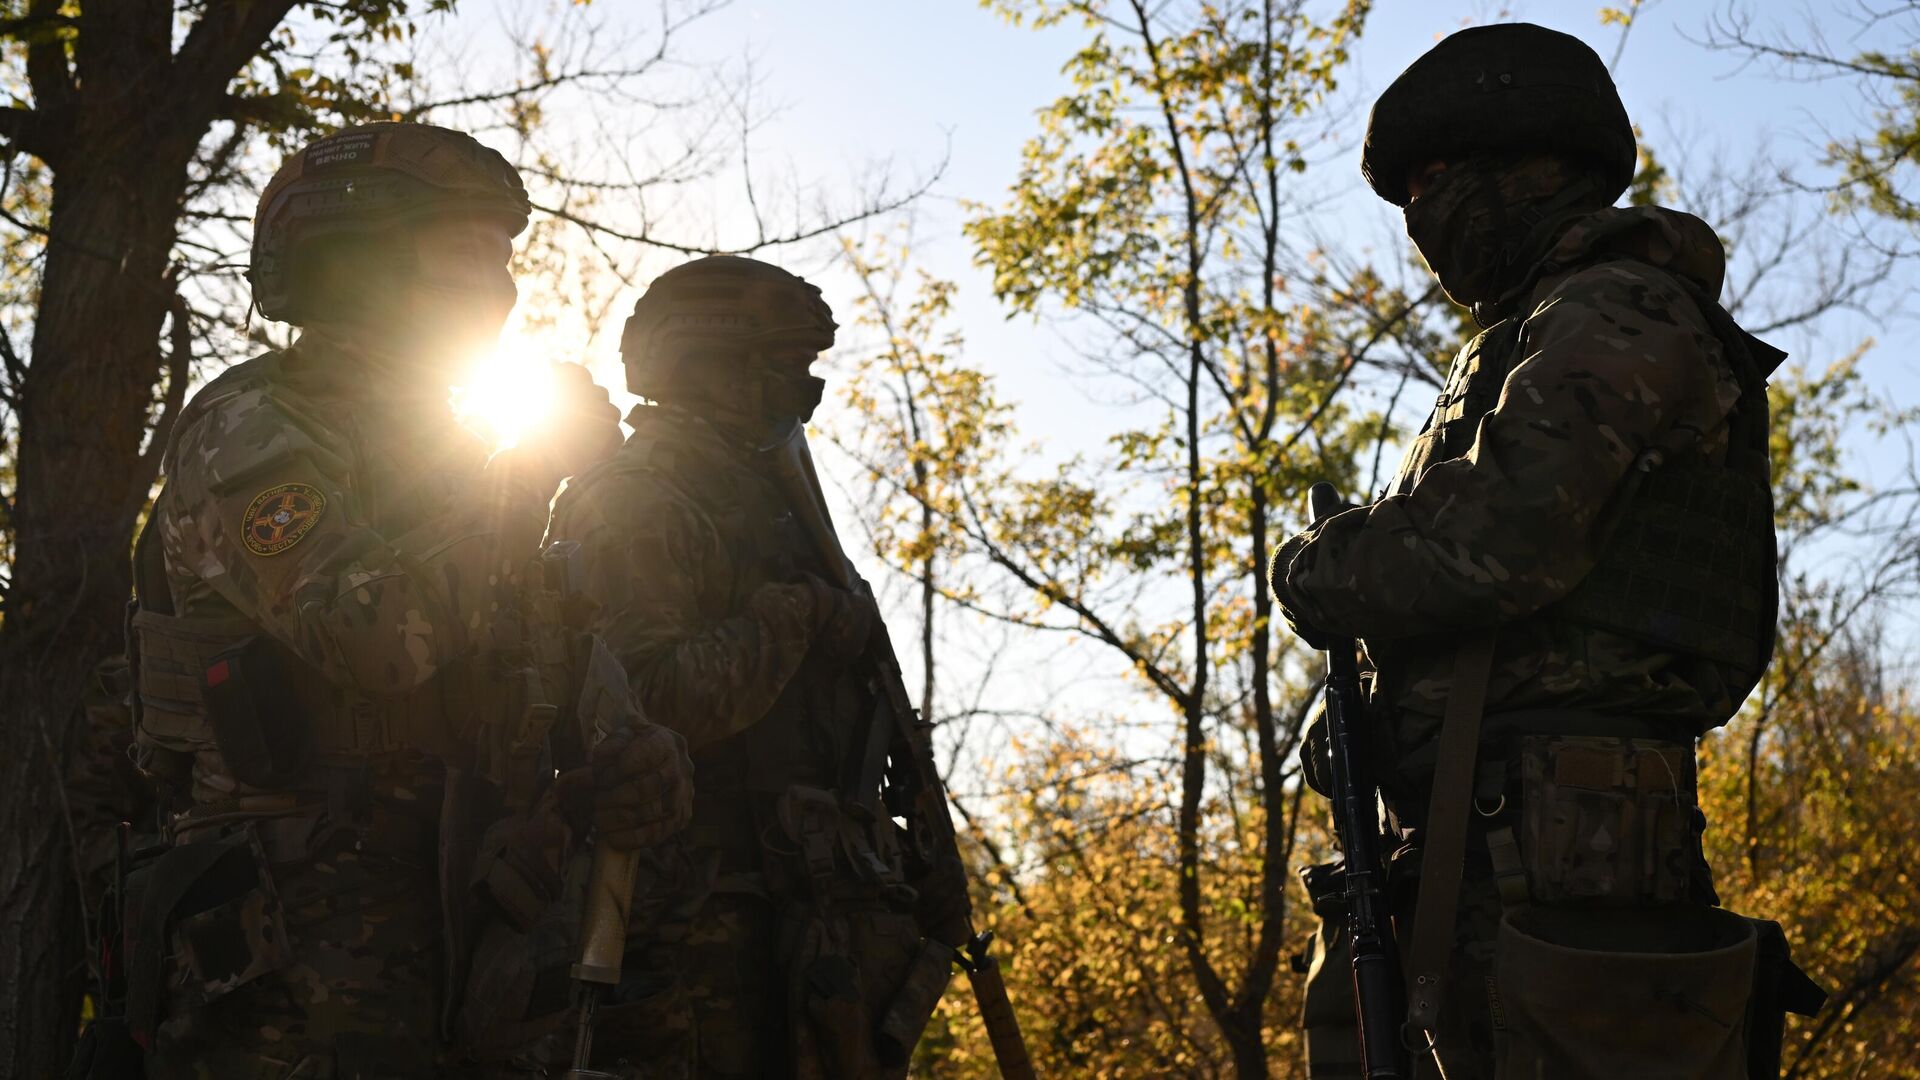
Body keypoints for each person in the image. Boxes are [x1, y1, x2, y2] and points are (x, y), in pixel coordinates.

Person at [1269, 23, 1821, 1080]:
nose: (1422, 218)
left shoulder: (1618, 308)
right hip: (1472, 858)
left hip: (1563, 872)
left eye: (1435, 181)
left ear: (1525, 169)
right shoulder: (1531, 330)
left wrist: (1316, 571)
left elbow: (1496, 542)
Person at [121, 121, 691, 1079]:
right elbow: (377, 640)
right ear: (359, 258)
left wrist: (636, 752)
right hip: (304, 954)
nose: (498, 286)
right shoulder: (250, 424)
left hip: (476, 931)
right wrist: (522, 485)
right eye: (465, 251)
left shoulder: (461, 456)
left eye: (503, 259)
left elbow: (546, 659)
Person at [544, 255, 956, 1079]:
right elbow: (646, 702)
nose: (801, 392)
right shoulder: (639, 495)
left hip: (813, 926)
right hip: (702, 929)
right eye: (782, 368)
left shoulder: (768, 504)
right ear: (709, 367)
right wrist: (793, 616)